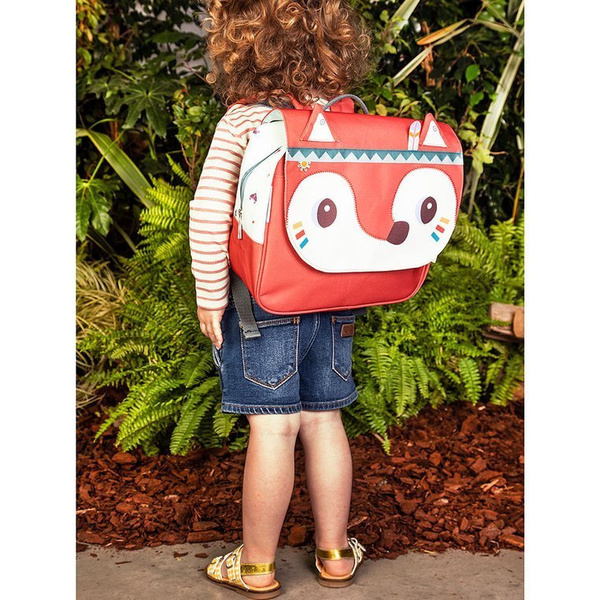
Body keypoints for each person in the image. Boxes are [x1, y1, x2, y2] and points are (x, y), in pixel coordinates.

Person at [189, 1, 372, 596]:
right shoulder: (346, 118)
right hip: (336, 297)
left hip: (263, 302)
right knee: (324, 419)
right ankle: (336, 554)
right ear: (336, 43)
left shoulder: (244, 121)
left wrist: (210, 295)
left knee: (273, 428)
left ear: (242, 44)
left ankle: (257, 566)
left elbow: (210, 211)